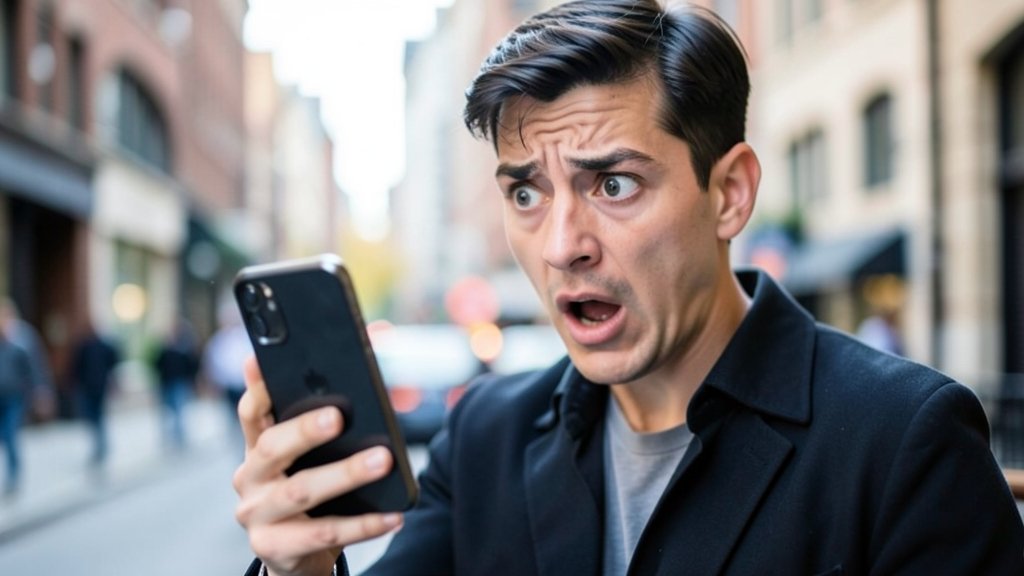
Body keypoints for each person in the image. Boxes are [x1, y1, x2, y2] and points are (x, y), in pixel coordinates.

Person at [233, 2, 1024, 575]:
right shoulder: (485, 439)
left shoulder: (904, 443)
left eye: (612, 183)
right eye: (525, 193)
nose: (561, 244)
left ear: (730, 193)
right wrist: (299, 567)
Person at [203, 302, 252, 451]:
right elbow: (212, 364)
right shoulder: (218, 341)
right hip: (228, 387)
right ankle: (238, 448)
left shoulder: (246, 337)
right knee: (232, 420)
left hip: (246, 386)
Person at [70, 324, 121, 466]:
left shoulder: (102, 346)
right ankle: (99, 445)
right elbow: (76, 367)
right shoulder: (84, 347)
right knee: (93, 418)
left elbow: (114, 362)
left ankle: (102, 445)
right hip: (88, 388)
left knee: (98, 418)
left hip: (98, 387)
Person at [0, 298, 55, 420]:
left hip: (15, 394)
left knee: (10, 429)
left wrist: (41, 390)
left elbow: (35, 365)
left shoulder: (23, 337)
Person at [154, 317, 200, 452]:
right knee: (167, 411)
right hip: (166, 383)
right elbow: (157, 364)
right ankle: (169, 436)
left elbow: (192, 365)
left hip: (180, 382)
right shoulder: (164, 348)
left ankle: (179, 436)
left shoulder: (185, 348)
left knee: (179, 410)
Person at [0, 323, 31, 495]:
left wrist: (39, 392)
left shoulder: (18, 350)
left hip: (13, 399)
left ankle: (13, 474)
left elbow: (31, 372)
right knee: (5, 436)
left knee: (10, 435)